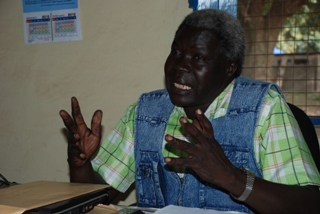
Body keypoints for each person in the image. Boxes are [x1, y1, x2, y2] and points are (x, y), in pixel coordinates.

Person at [59, 9, 320, 213]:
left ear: (229, 68)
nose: (178, 67)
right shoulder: (145, 112)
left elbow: (309, 205)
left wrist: (231, 177)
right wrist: (80, 163)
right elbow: (97, 199)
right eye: (176, 52)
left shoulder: (264, 107)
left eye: (198, 58)